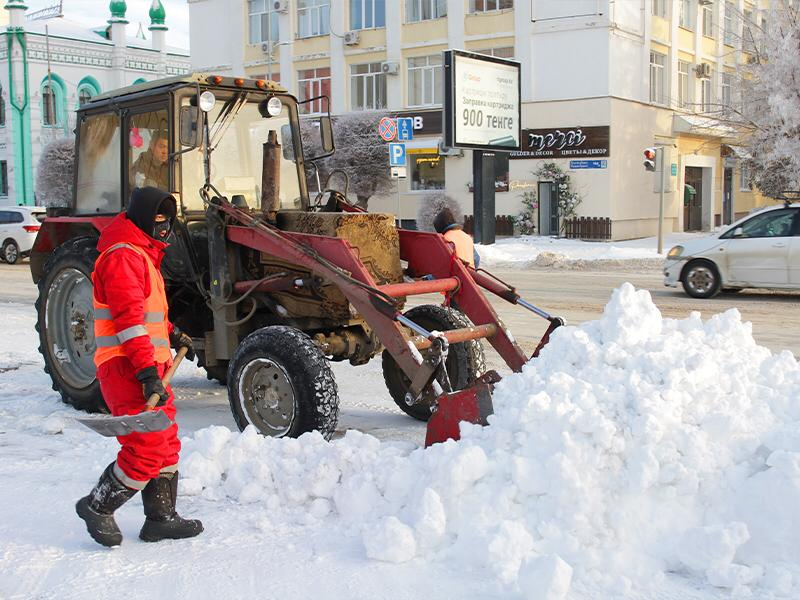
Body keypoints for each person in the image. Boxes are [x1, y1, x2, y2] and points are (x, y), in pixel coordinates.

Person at [76, 186, 202, 547]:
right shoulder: (122, 256)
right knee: (145, 448)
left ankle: (161, 519)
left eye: (168, 220)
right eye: (157, 219)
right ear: (142, 217)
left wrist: (172, 332)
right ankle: (97, 507)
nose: (164, 227)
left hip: (150, 363)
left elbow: (146, 316)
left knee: (165, 443)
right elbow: (128, 321)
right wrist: (147, 374)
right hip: (127, 368)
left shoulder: (142, 253)